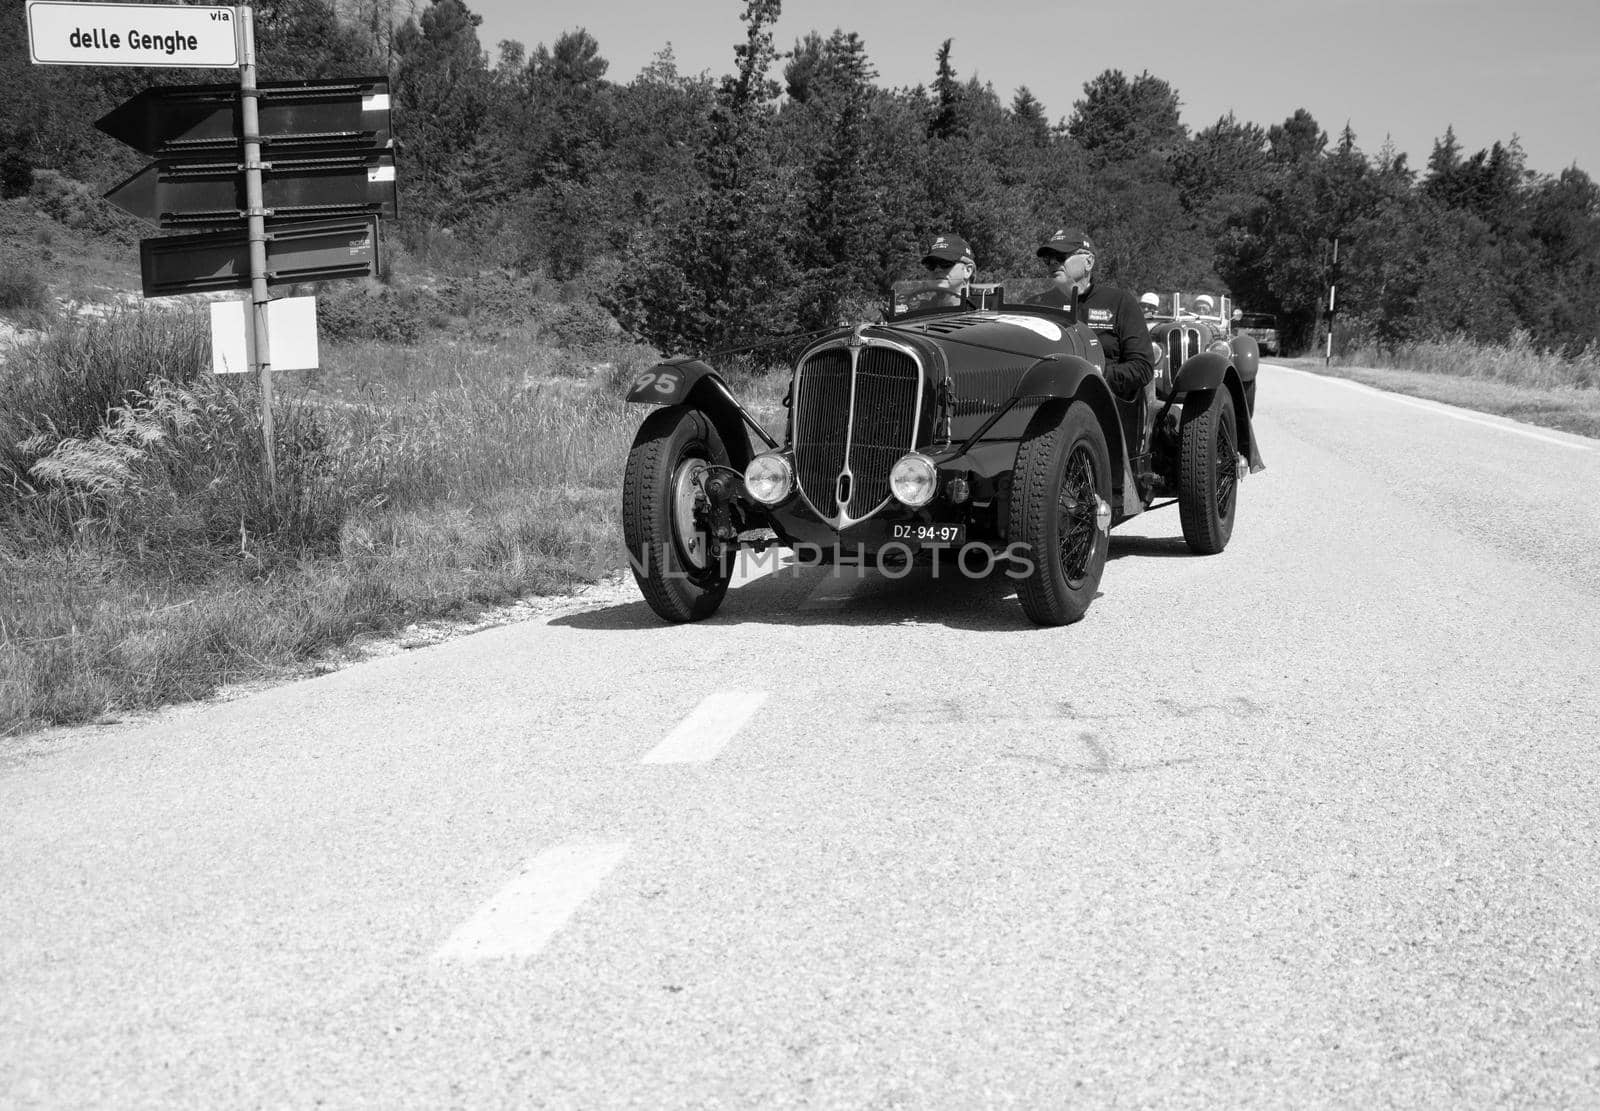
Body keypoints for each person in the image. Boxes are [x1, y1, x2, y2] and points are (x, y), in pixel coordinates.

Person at [1029, 227, 1154, 401]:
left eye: (1060, 256)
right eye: (1047, 259)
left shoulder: (1119, 302)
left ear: (1088, 262)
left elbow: (1142, 367)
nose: (1052, 263)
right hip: (1042, 401)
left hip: (1105, 405)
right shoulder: (1035, 304)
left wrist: (1094, 375)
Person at [912, 233, 976, 309]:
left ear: (968, 270)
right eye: (931, 264)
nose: (937, 269)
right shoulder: (918, 312)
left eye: (945, 263)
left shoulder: (982, 314)